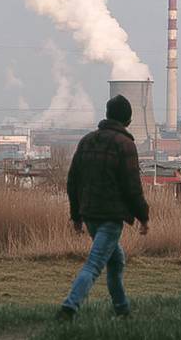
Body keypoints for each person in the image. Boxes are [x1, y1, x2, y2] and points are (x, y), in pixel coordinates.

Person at [56, 94, 150, 321]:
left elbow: (73, 181)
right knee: (94, 264)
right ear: (129, 120)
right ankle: (69, 307)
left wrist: (76, 216)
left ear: (107, 116)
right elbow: (132, 186)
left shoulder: (87, 141)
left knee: (116, 261)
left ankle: (122, 310)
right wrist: (144, 216)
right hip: (111, 216)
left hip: (89, 213)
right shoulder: (125, 144)